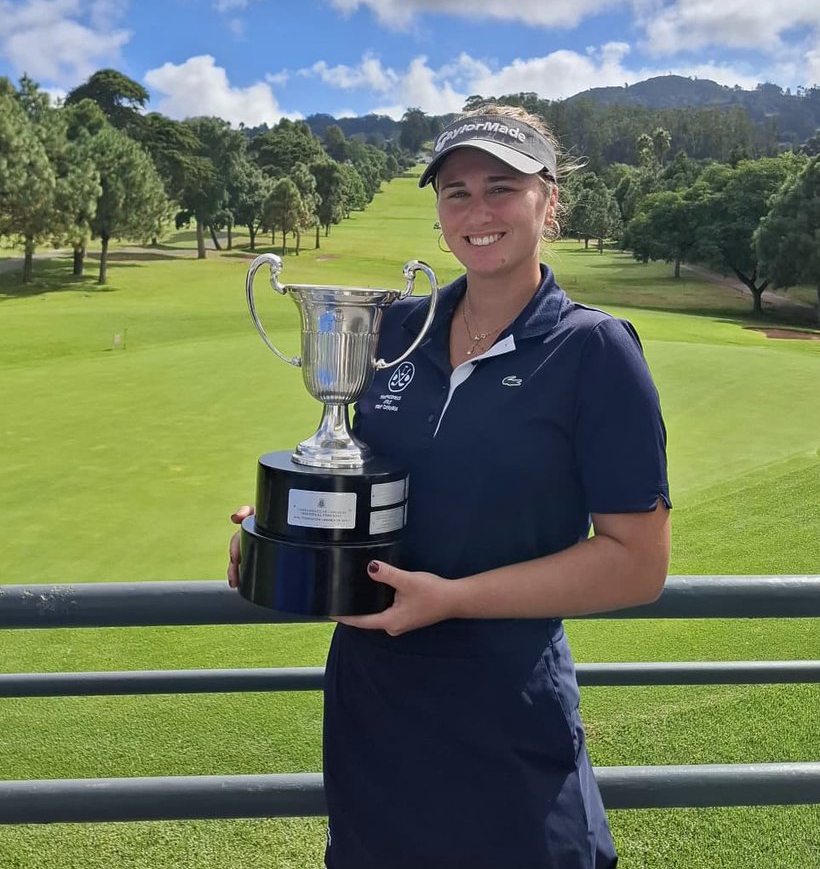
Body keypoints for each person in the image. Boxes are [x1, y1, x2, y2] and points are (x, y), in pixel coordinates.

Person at [229, 105, 671, 869]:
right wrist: (286, 539)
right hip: (373, 703)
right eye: (456, 191)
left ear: (549, 199)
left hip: (505, 712)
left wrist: (454, 597)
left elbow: (638, 562)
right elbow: (360, 484)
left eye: (502, 187)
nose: (478, 211)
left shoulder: (595, 350)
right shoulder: (396, 329)